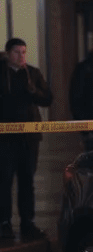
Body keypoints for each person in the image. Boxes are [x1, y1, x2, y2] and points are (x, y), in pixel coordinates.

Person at [0, 38, 53, 240]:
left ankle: (27, 222)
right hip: (5, 138)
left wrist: (34, 91)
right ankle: (4, 222)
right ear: (7, 54)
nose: (21, 56)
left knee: (27, 180)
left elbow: (48, 98)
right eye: (16, 52)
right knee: (4, 181)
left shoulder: (32, 73)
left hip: (29, 137)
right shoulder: (2, 72)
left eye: (24, 52)